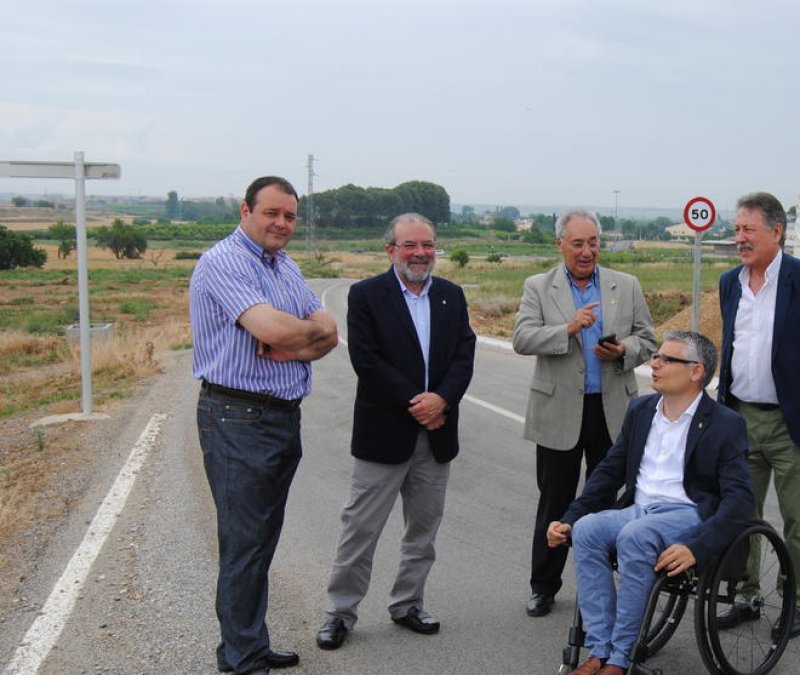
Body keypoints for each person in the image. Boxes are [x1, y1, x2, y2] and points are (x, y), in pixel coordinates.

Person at [190, 176, 339, 674]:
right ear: (245, 210)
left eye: (290, 216)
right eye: (272, 213)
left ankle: (248, 643)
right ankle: (241, 657)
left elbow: (329, 332)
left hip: (278, 417)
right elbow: (275, 328)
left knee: (260, 540)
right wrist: (293, 334)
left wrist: (296, 338)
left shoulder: (284, 266)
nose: (281, 224)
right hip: (237, 417)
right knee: (245, 543)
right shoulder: (225, 262)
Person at [548, 331, 753, 675]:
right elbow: (609, 471)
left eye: (666, 359)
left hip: (686, 513)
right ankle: (599, 649)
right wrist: (571, 516)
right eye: (655, 357)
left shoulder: (725, 424)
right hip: (638, 509)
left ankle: (620, 658)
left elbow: (740, 499)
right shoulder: (641, 410)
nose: (654, 364)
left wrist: (697, 548)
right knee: (586, 530)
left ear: (696, 371)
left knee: (635, 535)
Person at [315, 214, 476, 650]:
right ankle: (339, 613)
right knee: (359, 530)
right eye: (410, 245)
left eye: (428, 245)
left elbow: (465, 354)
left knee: (422, 532)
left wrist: (442, 400)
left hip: (437, 434)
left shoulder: (451, 296)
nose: (421, 253)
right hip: (384, 436)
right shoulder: (367, 295)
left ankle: (408, 604)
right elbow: (366, 361)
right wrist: (418, 403)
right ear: (391, 250)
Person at [715, 191, 800, 639]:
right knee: (741, 513)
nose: (740, 238)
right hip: (739, 419)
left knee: (799, 521)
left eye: (748, 230)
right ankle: (746, 594)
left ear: (777, 232)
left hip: (794, 424)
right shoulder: (729, 283)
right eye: (736, 229)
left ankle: (796, 601)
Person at [513, 209, 656, 618]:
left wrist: (623, 350)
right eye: (578, 243)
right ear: (560, 244)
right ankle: (544, 586)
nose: (587, 251)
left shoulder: (625, 285)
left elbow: (647, 338)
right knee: (555, 502)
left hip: (612, 411)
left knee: (609, 503)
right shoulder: (539, 286)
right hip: (559, 411)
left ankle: (605, 585)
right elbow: (522, 337)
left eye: (593, 242)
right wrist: (568, 330)